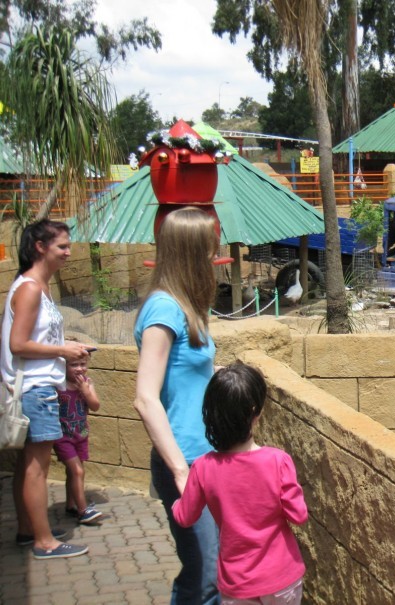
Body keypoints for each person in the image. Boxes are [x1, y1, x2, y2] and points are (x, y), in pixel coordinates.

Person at [133, 207, 221, 605]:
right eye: (208, 248)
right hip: (186, 461)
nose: (213, 256)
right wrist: (181, 471)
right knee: (202, 574)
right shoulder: (164, 310)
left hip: (209, 455)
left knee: (214, 570)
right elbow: (145, 398)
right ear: (190, 251)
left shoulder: (188, 307)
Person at [172, 362, 308, 605]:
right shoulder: (278, 461)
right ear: (255, 413)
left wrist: (179, 494)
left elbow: (184, 516)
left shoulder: (203, 467)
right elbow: (298, 515)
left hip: (237, 584)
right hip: (281, 576)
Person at [1, 219, 94, 559]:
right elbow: (18, 344)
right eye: (62, 247)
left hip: (39, 385)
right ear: (40, 247)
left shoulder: (38, 286)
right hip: (35, 389)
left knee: (29, 464)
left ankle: (29, 530)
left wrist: (64, 344)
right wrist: (62, 351)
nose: (68, 252)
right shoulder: (29, 288)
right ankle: (44, 542)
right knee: (36, 468)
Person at [54, 355, 103, 524]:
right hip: (63, 436)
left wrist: (85, 390)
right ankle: (83, 511)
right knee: (77, 471)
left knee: (74, 472)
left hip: (80, 435)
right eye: (74, 365)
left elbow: (95, 406)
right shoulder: (58, 385)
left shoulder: (87, 383)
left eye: (83, 364)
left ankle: (71, 505)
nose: (80, 368)